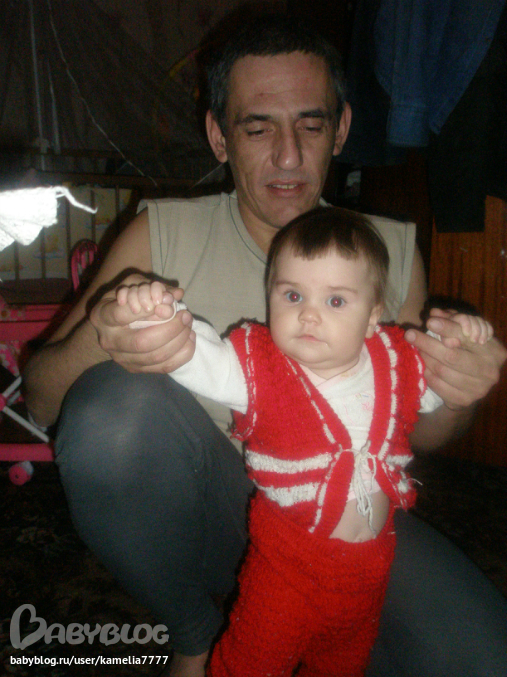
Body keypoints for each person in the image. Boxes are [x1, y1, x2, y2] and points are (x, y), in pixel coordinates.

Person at [22, 15, 507, 677]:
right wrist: (102, 334)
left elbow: (419, 430)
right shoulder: (160, 233)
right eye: (257, 128)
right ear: (219, 137)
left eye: (310, 125)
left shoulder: (387, 249)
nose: (288, 156)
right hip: (204, 512)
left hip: (346, 529)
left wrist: (457, 391)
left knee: (484, 656)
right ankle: (193, 630)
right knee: (114, 411)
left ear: (341, 129)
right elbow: (43, 400)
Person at [115, 207, 492, 676]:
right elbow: (195, 354)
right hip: (287, 568)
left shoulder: (397, 361)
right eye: (292, 295)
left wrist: (461, 341)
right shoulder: (257, 367)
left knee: (342, 665)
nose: (309, 314)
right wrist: (157, 315)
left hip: (369, 570)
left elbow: (442, 385)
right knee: (249, 663)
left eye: (336, 301)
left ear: (373, 316)